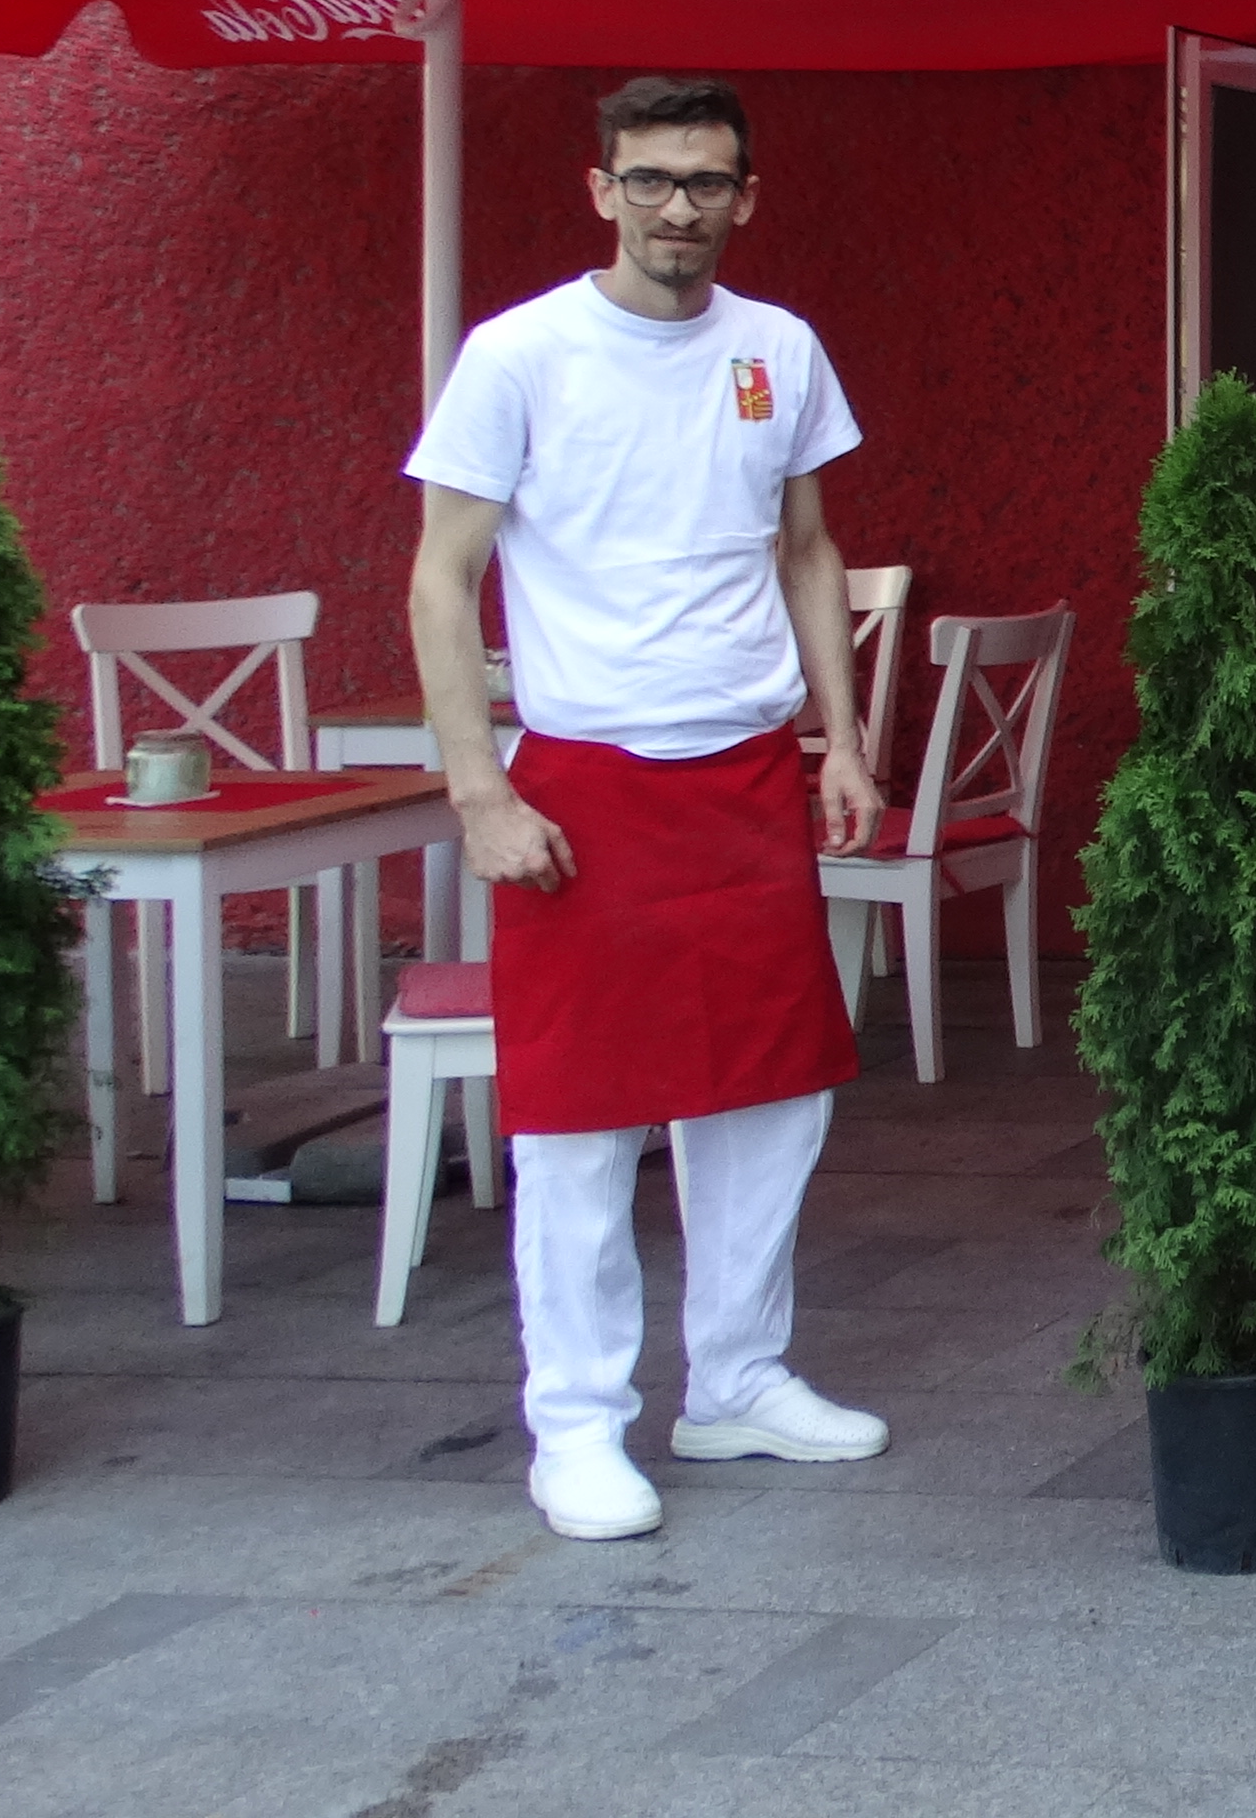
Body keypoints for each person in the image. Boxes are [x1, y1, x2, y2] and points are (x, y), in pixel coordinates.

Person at [405, 75, 887, 1544]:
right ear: (602, 189)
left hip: (745, 773)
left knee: (772, 1093)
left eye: (708, 180)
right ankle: (576, 1425)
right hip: (586, 781)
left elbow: (808, 550)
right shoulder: (519, 355)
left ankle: (735, 1380)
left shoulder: (778, 349)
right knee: (579, 1119)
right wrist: (480, 790)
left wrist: (842, 738)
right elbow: (441, 578)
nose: (681, 206)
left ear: (747, 197)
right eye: (654, 178)